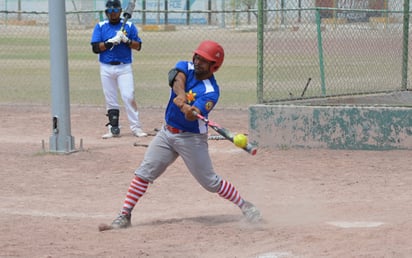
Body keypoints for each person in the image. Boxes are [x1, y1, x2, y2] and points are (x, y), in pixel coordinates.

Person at [102, 40, 261, 230]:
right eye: (198, 57)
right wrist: (181, 97)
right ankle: (125, 214)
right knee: (144, 173)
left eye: (204, 60)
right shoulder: (185, 66)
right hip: (167, 132)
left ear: (214, 66)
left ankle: (245, 206)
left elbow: (191, 115)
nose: (198, 62)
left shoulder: (211, 91)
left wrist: (187, 108)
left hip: (191, 138)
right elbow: (176, 78)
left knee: (210, 183)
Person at [90, 0, 147, 139]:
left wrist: (126, 41)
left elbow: (138, 46)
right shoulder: (100, 26)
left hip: (124, 67)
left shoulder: (129, 26)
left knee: (128, 96)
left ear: (120, 12)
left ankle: (136, 127)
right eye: (110, 11)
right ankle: (113, 128)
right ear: (106, 13)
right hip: (106, 67)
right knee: (110, 99)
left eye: (115, 11)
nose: (113, 14)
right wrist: (110, 42)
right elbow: (95, 48)